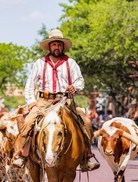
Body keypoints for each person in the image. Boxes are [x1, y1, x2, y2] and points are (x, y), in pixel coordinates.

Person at [12, 29, 100, 172]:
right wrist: (31, 102)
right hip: (43, 101)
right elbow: (30, 84)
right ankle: (21, 155)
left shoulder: (70, 63)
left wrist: (75, 88)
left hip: (65, 100)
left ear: (63, 46)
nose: (57, 47)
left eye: (59, 44)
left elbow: (80, 81)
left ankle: (86, 156)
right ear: (49, 46)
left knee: (86, 123)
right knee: (28, 122)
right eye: (54, 44)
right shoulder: (40, 63)